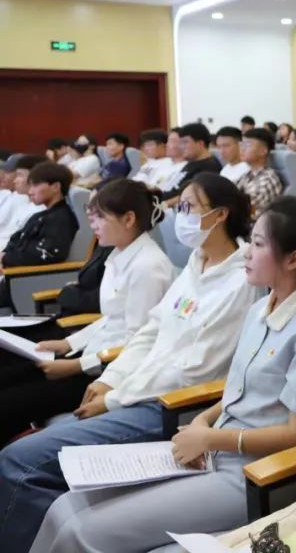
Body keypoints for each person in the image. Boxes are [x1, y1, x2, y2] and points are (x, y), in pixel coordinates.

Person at [31, 197, 296, 552]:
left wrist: (212, 438)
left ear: (292, 260)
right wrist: (202, 421)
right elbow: (238, 389)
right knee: (64, 506)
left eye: (259, 244)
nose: (247, 253)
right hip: (214, 449)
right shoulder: (262, 308)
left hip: (253, 473)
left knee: (88, 530)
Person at [0, 174, 258, 552]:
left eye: (189, 207)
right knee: (23, 453)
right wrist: (112, 380)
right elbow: (151, 330)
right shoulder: (196, 264)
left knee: (19, 462)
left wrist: (114, 397)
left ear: (220, 215)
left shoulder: (240, 282)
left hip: (170, 405)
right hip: (134, 388)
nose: (179, 215)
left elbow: (192, 371)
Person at [0, 180, 174, 444]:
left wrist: (76, 365)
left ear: (128, 219)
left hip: (108, 372)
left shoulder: (148, 267)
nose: (93, 225)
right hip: (92, 355)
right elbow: (110, 320)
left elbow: (138, 341)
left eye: (100, 218)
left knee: (9, 402)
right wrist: (68, 343)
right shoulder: (119, 255)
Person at [0, 163, 79, 309]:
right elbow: (16, 240)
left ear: (55, 187)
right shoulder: (42, 215)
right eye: (30, 186)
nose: (30, 191)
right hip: (13, 278)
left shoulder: (60, 218)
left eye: (35, 185)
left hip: (26, 282)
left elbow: (47, 254)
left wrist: (5, 258)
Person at [160, 123, 223, 203]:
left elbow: (194, 196)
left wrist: (163, 205)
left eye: (185, 142)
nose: (181, 147)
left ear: (200, 143)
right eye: (180, 143)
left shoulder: (210, 167)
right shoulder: (191, 163)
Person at [235, 128, 284, 218]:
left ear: (263, 151)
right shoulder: (248, 174)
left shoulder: (266, 181)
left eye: (248, 145)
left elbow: (243, 211)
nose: (242, 149)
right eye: (242, 145)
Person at [0, 155, 46, 250]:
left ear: (34, 178)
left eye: (20, 175)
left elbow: (19, 247)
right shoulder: (26, 203)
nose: (15, 180)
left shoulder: (39, 211)